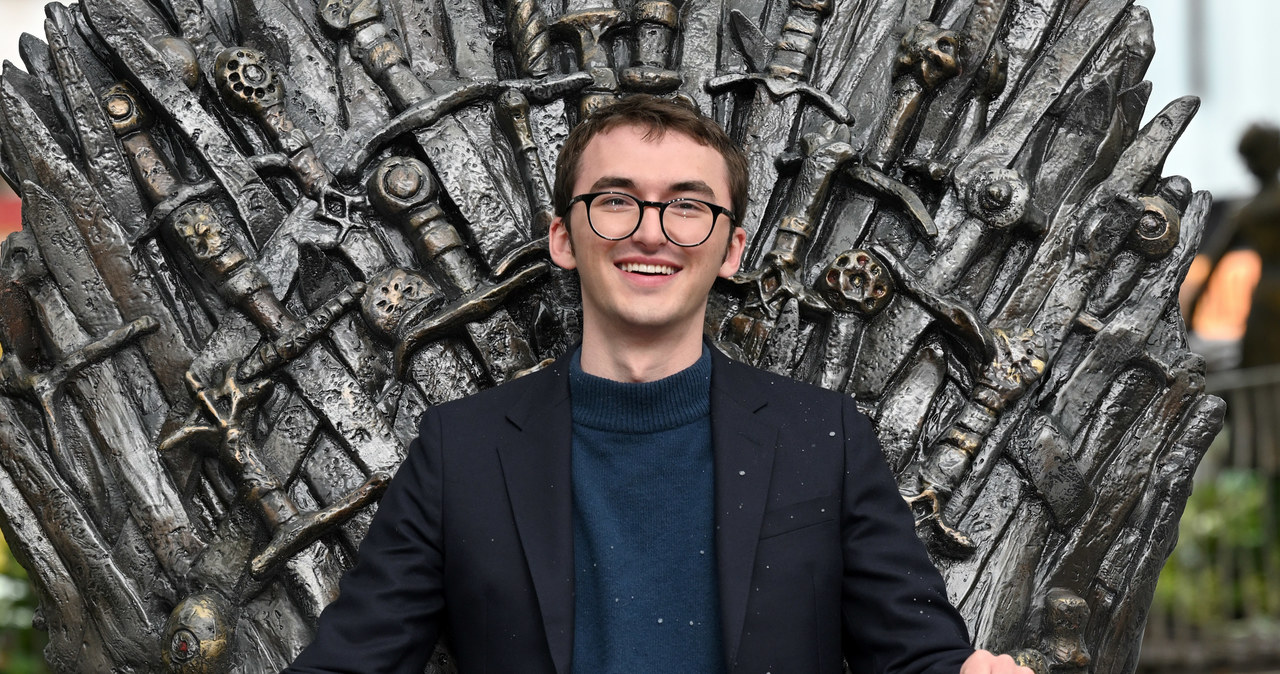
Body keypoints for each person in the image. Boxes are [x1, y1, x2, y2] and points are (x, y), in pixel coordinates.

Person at [284, 95, 1030, 674]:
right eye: (615, 200)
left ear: (732, 248)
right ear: (562, 238)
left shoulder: (822, 439)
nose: (650, 231)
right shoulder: (461, 451)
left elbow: (913, 655)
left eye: (688, 206)